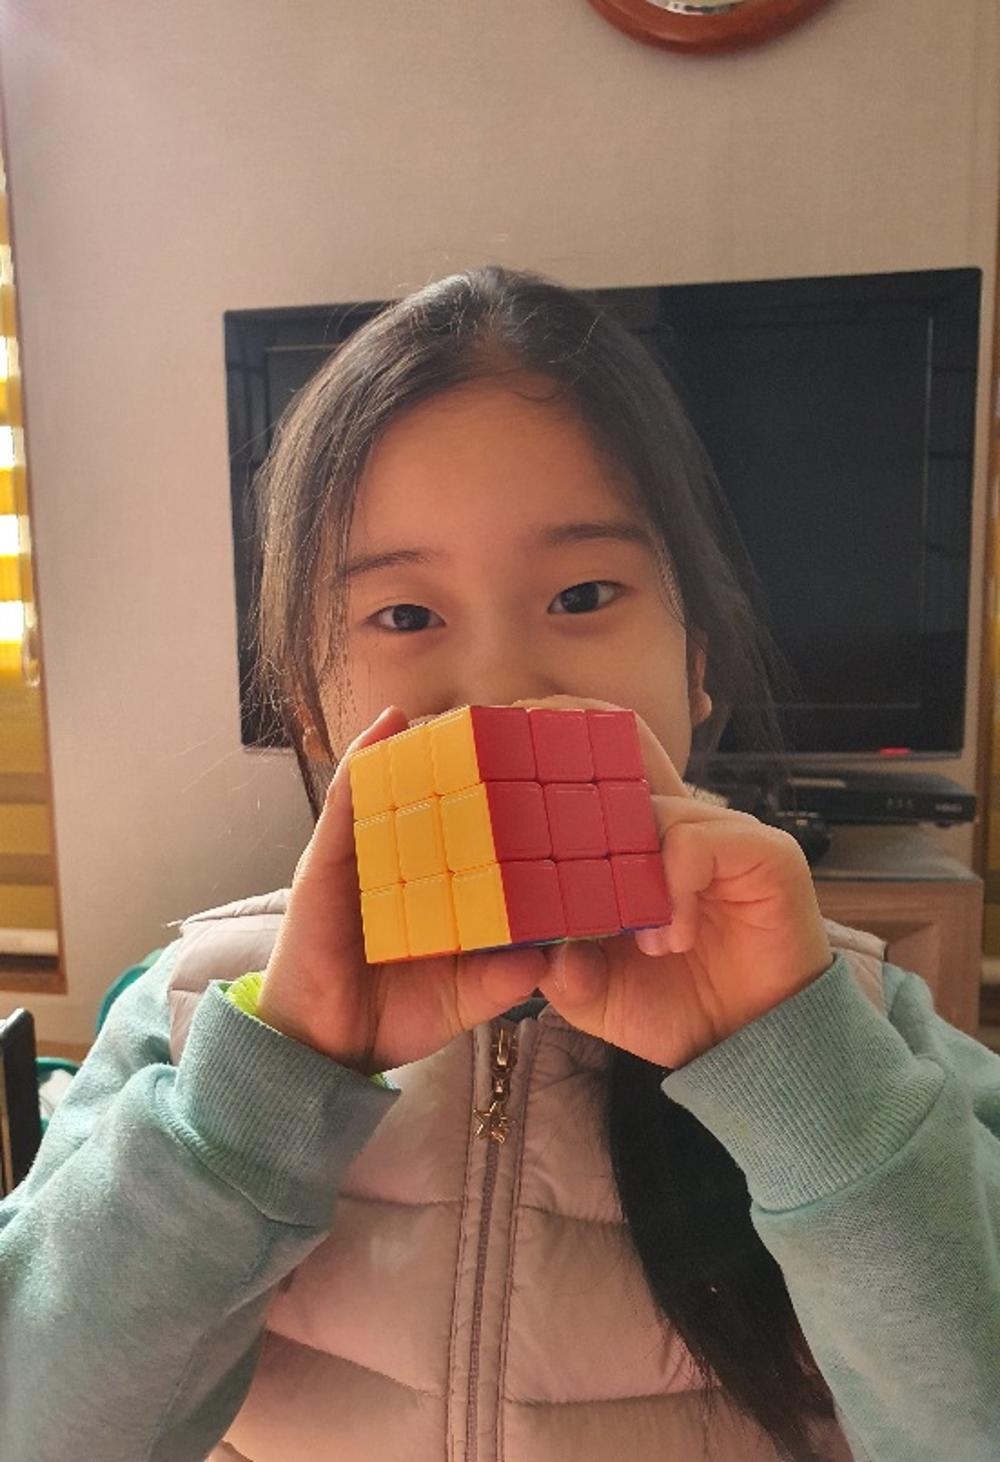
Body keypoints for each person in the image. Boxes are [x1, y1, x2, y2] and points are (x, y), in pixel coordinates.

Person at [2, 266, 998, 1462]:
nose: (498, 689)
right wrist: (262, 1095)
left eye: (582, 593)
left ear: (696, 667)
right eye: (403, 616)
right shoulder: (188, 1022)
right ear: (310, 707)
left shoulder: (865, 1035)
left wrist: (803, 1081)